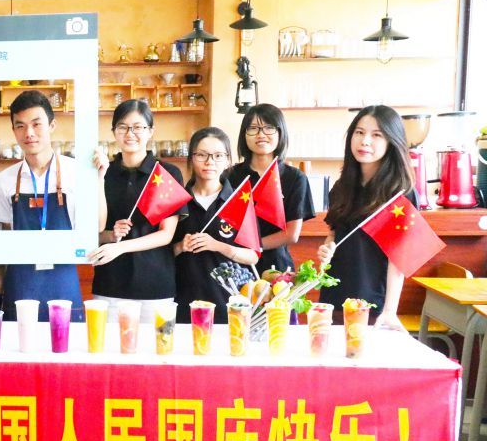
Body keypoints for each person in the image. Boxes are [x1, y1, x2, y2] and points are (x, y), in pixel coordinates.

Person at [318, 105, 416, 329]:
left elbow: (398, 258)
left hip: (372, 304)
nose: (365, 141)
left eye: (377, 135)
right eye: (359, 132)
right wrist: (327, 248)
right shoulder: (341, 186)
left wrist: (389, 311)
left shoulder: (400, 192)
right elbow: (334, 234)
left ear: (392, 141)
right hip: (333, 298)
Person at [89, 99, 186, 322]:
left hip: (155, 285)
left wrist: (120, 247)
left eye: (138, 127)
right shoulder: (104, 172)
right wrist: (111, 235)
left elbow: (166, 234)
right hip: (110, 283)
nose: (130, 134)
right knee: (108, 343)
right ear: (113, 132)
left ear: (150, 131)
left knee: (157, 343)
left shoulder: (166, 173)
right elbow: (96, 229)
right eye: (122, 127)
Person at [0, 90, 86, 322]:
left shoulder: (76, 173)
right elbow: (2, 235)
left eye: (37, 124)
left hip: (63, 282)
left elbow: (95, 227)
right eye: (20, 126)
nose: (29, 133)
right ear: (13, 130)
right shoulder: (4, 180)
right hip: (21, 284)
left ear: (52, 125)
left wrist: (100, 177)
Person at [172, 127, 259, 324]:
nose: (210, 162)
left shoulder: (238, 200)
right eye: (202, 155)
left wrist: (217, 245)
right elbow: (162, 252)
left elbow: (253, 255)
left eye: (218, 156)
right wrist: (180, 246)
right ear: (191, 158)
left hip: (228, 303)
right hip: (184, 300)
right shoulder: (177, 200)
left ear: (228, 160)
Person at [227, 104, 315, 274]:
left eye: (269, 128)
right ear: (244, 134)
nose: (261, 134)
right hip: (236, 267)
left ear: (280, 132)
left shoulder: (295, 178)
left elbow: (291, 234)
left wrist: (252, 248)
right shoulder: (230, 176)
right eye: (253, 128)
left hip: (277, 268)